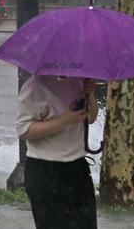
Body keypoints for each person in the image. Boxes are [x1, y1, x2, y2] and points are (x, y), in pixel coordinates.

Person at [16, 75, 99, 229]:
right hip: (45, 170)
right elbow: (24, 131)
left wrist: (90, 94)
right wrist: (65, 120)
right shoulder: (34, 87)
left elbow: (91, 117)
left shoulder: (80, 82)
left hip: (77, 168)